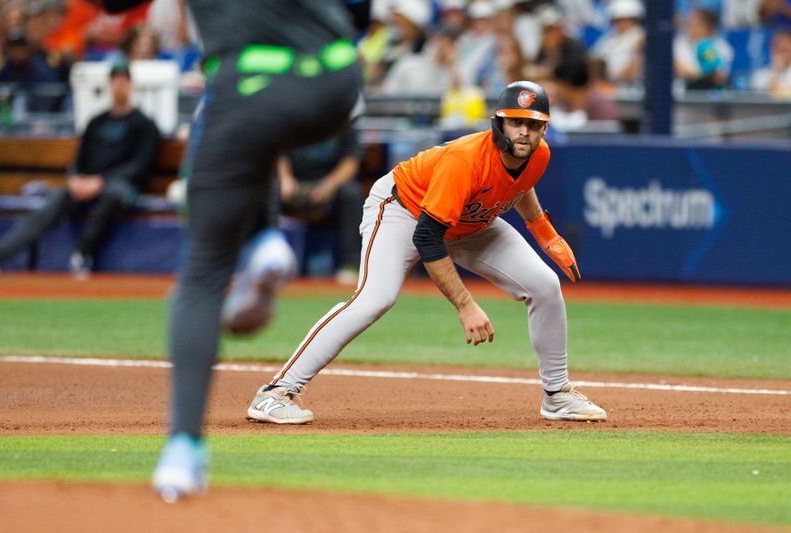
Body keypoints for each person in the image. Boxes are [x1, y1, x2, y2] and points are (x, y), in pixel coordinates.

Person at [95, 0, 368, 502]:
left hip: (247, 83)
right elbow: (360, 12)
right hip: (337, 80)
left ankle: (183, 451)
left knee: (203, 269)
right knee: (261, 138)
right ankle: (264, 240)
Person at [245, 81, 607, 427]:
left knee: (544, 284)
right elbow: (428, 236)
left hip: (467, 219)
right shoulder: (465, 160)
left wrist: (546, 234)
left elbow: (520, 185)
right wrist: (465, 305)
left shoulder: (538, 155)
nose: (524, 132)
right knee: (375, 299)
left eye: (533, 124)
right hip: (405, 210)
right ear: (499, 124)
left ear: (544, 129)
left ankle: (557, 395)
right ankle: (276, 392)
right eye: (516, 123)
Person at [0, 62, 159, 278]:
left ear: (131, 85)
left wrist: (99, 182)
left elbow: (139, 166)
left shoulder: (144, 124)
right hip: (86, 184)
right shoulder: (96, 122)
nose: (119, 86)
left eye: (123, 81)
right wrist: (76, 179)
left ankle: (81, 255)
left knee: (113, 194)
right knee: (50, 206)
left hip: (122, 188)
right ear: (109, 84)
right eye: (115, 80)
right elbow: (80, 159)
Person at [277, 123, 364, 283]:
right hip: (292, 185)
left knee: (351, 194)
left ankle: (350, 265)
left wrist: (328, 185)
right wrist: (285, 179)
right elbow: (277, 152)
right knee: (264, 192)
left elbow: (351, 162)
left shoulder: (343, 121)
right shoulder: (291, 116)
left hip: (328, 186)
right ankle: (262, 266)